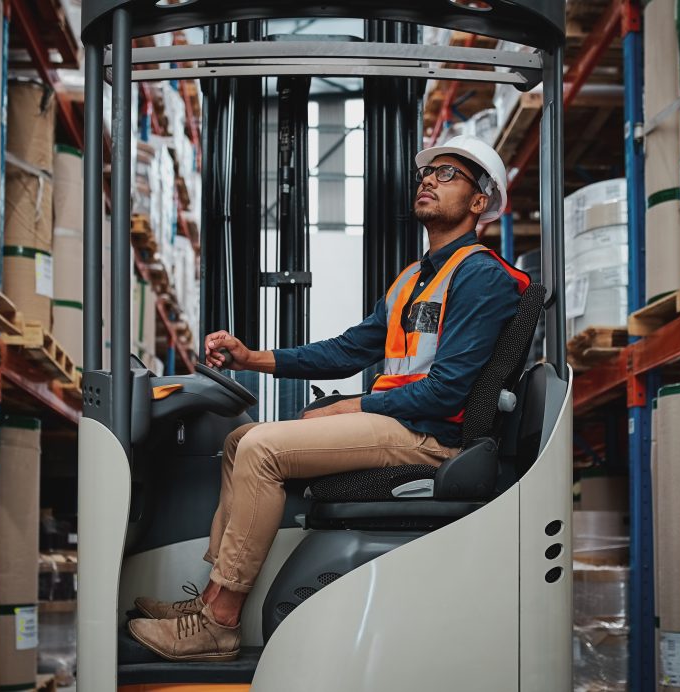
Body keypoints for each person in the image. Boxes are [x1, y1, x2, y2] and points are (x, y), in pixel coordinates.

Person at [128, 135, 529, 661]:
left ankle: (219, 624)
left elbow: (448, 390)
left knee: (262, 449)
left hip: (434, 437)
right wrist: (253, 359)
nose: (429, 180)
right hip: (403, 421)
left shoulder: (482, 276)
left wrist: (352, 405)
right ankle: (210, 598)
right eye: (428, 174)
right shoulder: (414, 278)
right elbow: (347, 351)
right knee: (241, 439)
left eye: (449, 174)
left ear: (479, 203)